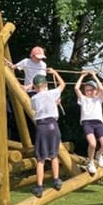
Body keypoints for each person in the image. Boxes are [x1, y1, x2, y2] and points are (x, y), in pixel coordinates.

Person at [30, 68, 66, 197]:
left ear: (34, 86)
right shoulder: (52, 93)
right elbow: (63, 85)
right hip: (53, 125)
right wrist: (55, 73)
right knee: (54, 155)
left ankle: (39, 187)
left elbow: (37, 108)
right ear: (46, 85)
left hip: (41, 126)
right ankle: (56, 180)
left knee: (40, 159)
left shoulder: (33, 98)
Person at [74, 71, 103, 175]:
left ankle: (98, 155)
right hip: (87, 123)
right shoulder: (83, 99)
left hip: (98, 123)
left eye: (91, 90)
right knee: (92, 143)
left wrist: (94, 75)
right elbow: (76, 88)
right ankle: (90, 162)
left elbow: (102, 88)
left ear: (95, 91)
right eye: (86, 90)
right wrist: (82, 76)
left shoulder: (98, 99)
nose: (88, 92)